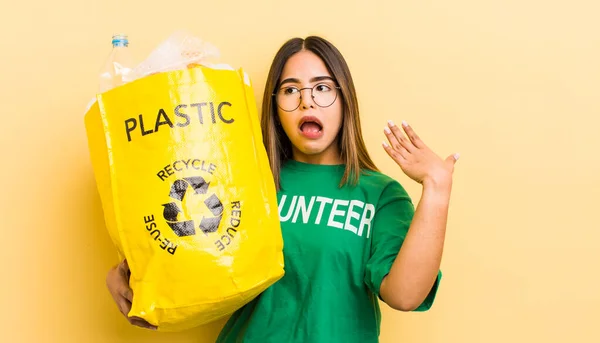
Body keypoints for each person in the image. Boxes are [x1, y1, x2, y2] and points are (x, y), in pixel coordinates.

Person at [106, 35, 459, 342]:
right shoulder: (247, 178)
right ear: (275, 107)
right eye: (291, 90)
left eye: (322, 88)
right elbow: (191, 250)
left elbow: (404, 295)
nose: (306, 101)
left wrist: (436, 189)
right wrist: (124, 273)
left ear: (344, 99)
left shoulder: (380, 195)